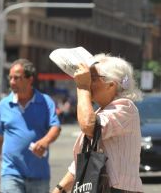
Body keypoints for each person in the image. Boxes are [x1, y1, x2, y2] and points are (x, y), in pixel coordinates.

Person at [53, 54, 143, 193]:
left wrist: (82, 87)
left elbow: (89, 126)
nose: (88, 82)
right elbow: (86, 160)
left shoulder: (125, 107)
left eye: (92, 78)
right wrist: (60, 189)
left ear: (111, 84)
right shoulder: (102, 111)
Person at [0, 59, 61, 193]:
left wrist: (45, 141)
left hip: (39, 174)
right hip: (11, 172)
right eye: (10, 78)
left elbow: (56, 127)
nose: (12, 82)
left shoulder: (45, 102)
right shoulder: (4, 105)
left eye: (17, 78)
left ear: (30, 79)